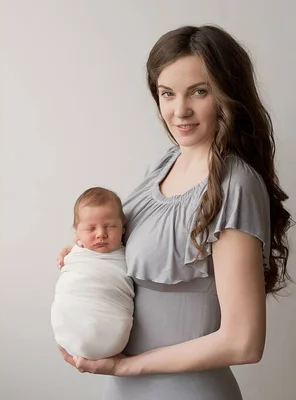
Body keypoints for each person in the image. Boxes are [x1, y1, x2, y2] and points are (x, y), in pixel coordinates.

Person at [56, 25, 292, 400]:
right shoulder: (164, 164)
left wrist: (127, 365)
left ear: (227, 95)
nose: (179, 110)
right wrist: (92, 256)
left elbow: (243, 342)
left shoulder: (236, 185)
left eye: (199, 91)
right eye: (167, 94)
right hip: (121, 386)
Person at [50, 187, 134, 360]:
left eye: (110, 226)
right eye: (91, 229)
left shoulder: (130, 254)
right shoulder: (77, 251)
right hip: (71, 322)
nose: (101, 234)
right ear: (77, 232)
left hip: (112, 327)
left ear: (123, 226)